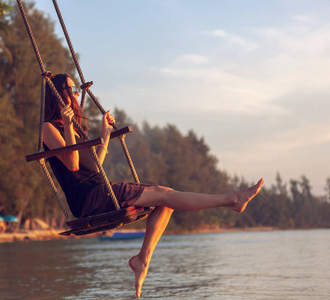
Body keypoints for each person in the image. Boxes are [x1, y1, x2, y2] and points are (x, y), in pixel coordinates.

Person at [42, 73, 264, 298]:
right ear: (60, 93)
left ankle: (142, 260)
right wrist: (68, 126)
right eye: (73, 89)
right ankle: (231, 200)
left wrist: (105, 135)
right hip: (89, 199)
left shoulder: (76, 130)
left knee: (166, 201)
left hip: (101, 189)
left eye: (78, 90)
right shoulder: (49, 128)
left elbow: (95, 167)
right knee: (164, 194)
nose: (77, 93)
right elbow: (72, 164)